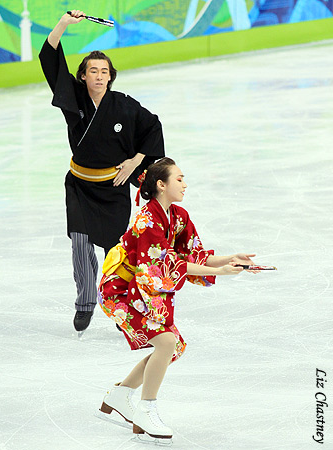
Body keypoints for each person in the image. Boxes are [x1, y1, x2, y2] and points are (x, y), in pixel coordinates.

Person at [97, 157, 258, 441]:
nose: (185, 184)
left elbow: (194, 255)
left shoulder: (178, 216)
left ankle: (121, 395)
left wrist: (229, 258)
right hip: (120, 291)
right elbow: (159, 265)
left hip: (143, 288)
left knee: (173, 346)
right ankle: (147, 409)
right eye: (179, 179)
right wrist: (217, 270)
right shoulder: (147, 220)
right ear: (161, 184)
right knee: (167, 342)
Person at [39, 10, 165, 333]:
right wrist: (64, 23)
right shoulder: (73, 99)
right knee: (80, 243)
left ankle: (125, 302)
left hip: (113, 188)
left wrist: (137, 160)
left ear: (110, 77)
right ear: (82, 76)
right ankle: (85, 302)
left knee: (116, 253)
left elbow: (153, 128)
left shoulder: (124, 106)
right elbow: (51, 59)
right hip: (80, 187)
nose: (98, 76)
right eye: (92, 71)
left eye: (103, 71)